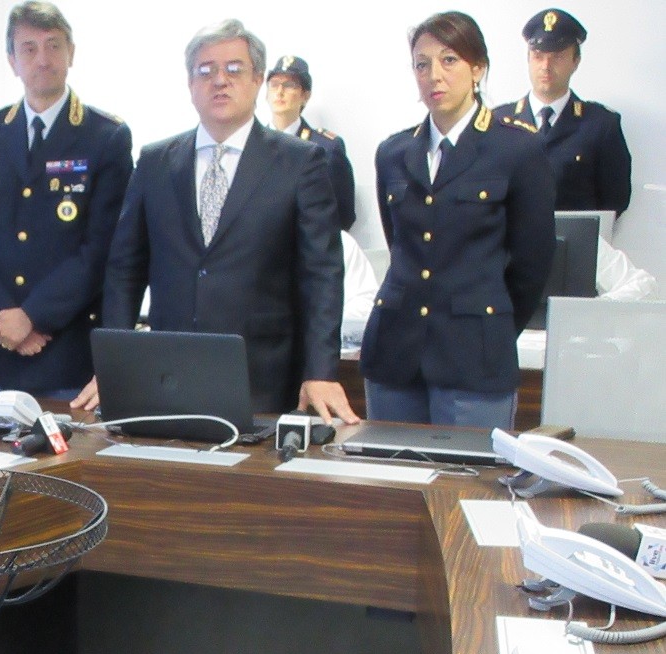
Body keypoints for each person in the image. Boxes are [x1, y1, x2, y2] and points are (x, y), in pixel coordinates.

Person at [77, 20, 357, 424]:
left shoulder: (301, 162)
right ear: (190, 83)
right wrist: (114, 364)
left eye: (234, 69)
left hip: (263, 376)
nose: (219, 81)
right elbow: (125, 269)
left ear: (258, 79)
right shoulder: (155, 162)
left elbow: (322, 275)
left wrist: (321, 371)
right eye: (205, 71)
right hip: (167, 375)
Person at [360, 11, 555, 429]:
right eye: (422, 64)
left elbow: (532, 266)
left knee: (470, 470)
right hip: (395, 351)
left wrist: (490, 325)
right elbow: (402, 246)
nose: (434, 75)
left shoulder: (515, 149)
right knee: (387, 469)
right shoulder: (394, 152)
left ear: (478, 68)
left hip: (474, 354)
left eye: (449, 60)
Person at [0, 2, 133, 397]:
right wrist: (5, 318)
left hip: (68, 353)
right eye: (28, 49)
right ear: (12, 61)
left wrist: (33, 316)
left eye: (53, 46)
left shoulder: (105, 137)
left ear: (71, 53)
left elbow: (101, 249)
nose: (42, 59)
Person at [492, 9, 631, 214]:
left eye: (557, 57)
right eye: (538, 57)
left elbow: (615, 201)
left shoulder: (601, 125)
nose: (546, 66)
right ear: (528, 60)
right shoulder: (497, 122)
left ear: (575, 62)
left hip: (572, 235)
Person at [265, 55, 356, 230]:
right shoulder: (251, 146)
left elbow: (343, 216)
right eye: (274, 84)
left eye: (289, 85)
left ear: (305, 96)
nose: (280, 91)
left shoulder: (326, 149)